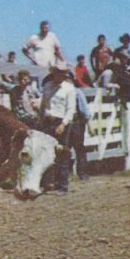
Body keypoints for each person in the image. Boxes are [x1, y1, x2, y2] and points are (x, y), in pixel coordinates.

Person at [39, 61, 76, 196]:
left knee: (61, 152)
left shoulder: (69, 89)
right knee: (47, 153)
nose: (60, 75)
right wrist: (40, 119)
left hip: (61, 122)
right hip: (48, 121)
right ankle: (48, 183)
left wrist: (63, 124)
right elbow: (43, 104)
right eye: (57, 72)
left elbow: (71, 109)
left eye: (62, 72)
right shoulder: (47, 86)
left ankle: (62, 185)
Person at [70, 84, 91, 181]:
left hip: (76, 122)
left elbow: (84, 108)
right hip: (65, 122)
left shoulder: (77, 91)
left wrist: (87, 121)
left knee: (79, 148)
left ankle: (82, 172)